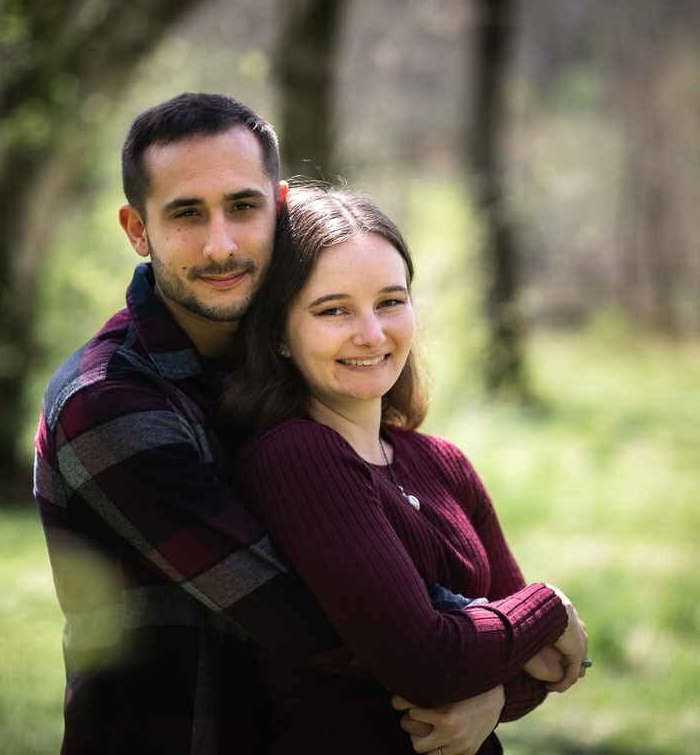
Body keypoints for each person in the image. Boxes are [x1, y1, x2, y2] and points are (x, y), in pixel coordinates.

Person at [33, 93, 586, 755]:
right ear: (136, 229)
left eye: (243, 206)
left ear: (279, 205)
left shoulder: (274, 375)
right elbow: (320, 617)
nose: (221, 243)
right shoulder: (110, 406)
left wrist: (495, 690)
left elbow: (402, 627)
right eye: (185, 214)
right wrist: (520, 631)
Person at [218, 183, 590, 754]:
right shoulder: (295, 457)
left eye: (390, 301)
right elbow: (430, 662)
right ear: (279, 336)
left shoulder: (441, 463)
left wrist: (489, 699)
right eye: (334, 309)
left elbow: (541, 667)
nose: (371, 333)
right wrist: (552, 607)